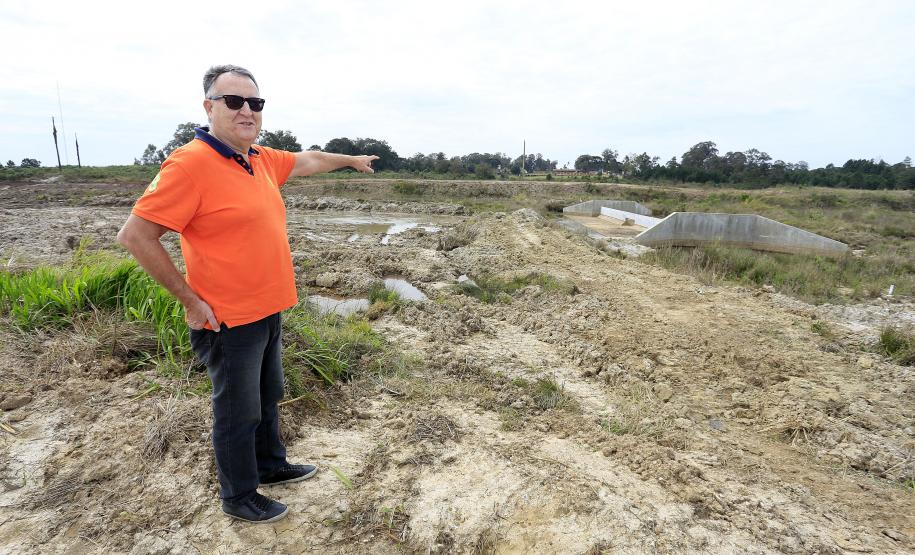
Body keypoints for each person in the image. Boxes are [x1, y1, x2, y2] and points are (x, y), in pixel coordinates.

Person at [117, 64, 377, 523]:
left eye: (255, 103)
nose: (246, 111)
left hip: (268, 308)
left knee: (267, 395)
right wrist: (190, 301)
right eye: (233, 101)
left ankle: (270, 465)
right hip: (227, 318)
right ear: (209, 107)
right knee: (237, 411)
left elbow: (310, 159)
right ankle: (238, 496)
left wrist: (351, 159)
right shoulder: (190, 164)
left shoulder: (258, 158)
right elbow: (136, 235)